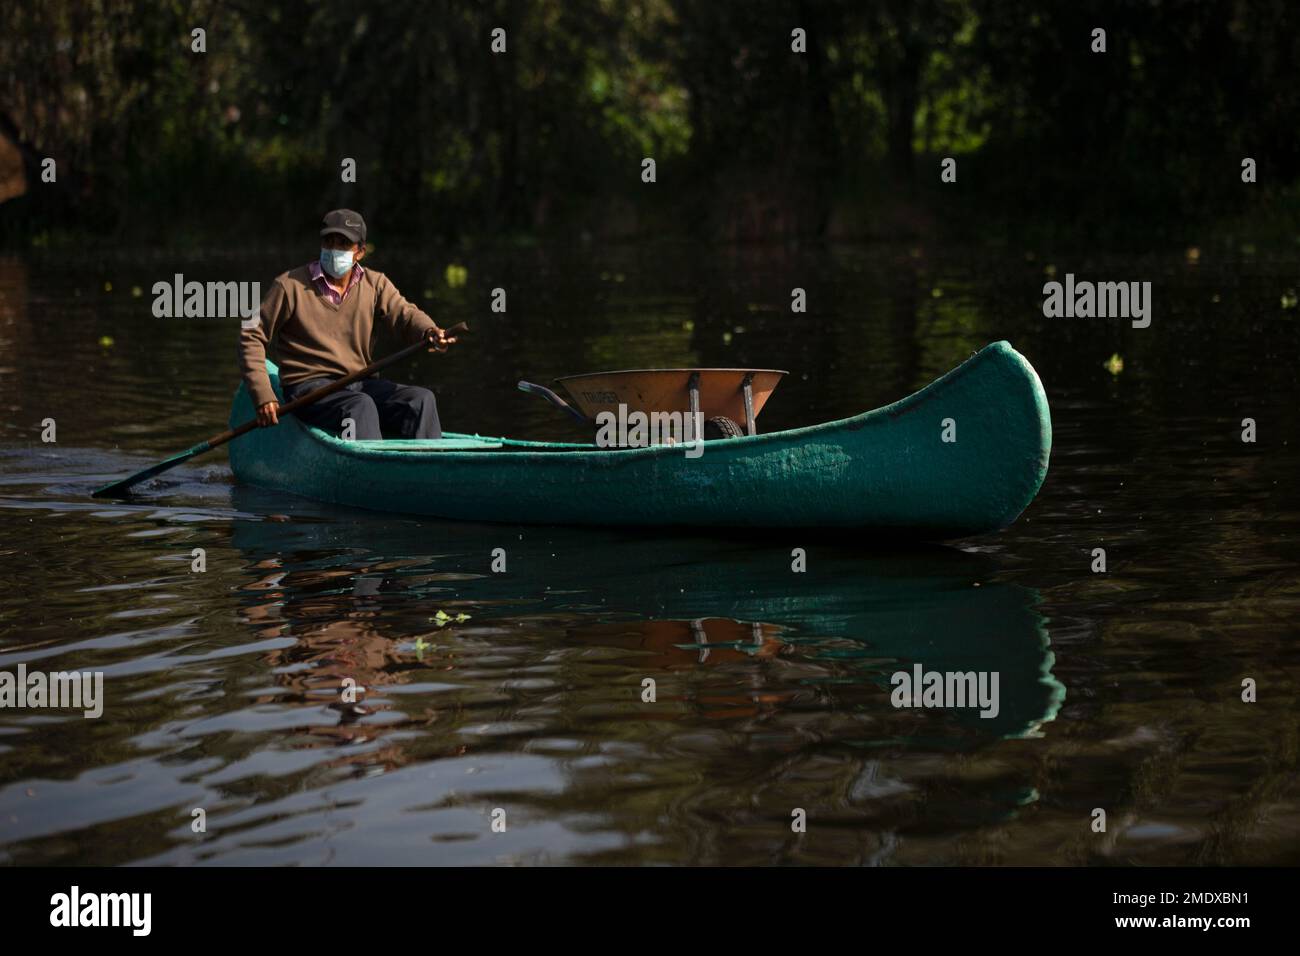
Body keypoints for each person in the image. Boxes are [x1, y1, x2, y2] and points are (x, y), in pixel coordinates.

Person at [238, 209, 457, 440]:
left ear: (360, 252)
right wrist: (263, 395)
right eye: (328, 242)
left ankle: (425, 466)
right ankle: (371, 470)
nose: (334, 250)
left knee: (420, 400)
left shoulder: (376, 284)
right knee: (359, 407)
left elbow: (405, 313)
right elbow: (251, 334)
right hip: (308, 389)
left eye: (343, 244)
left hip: (359, 383)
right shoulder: (288, 286)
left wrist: (430, 331)